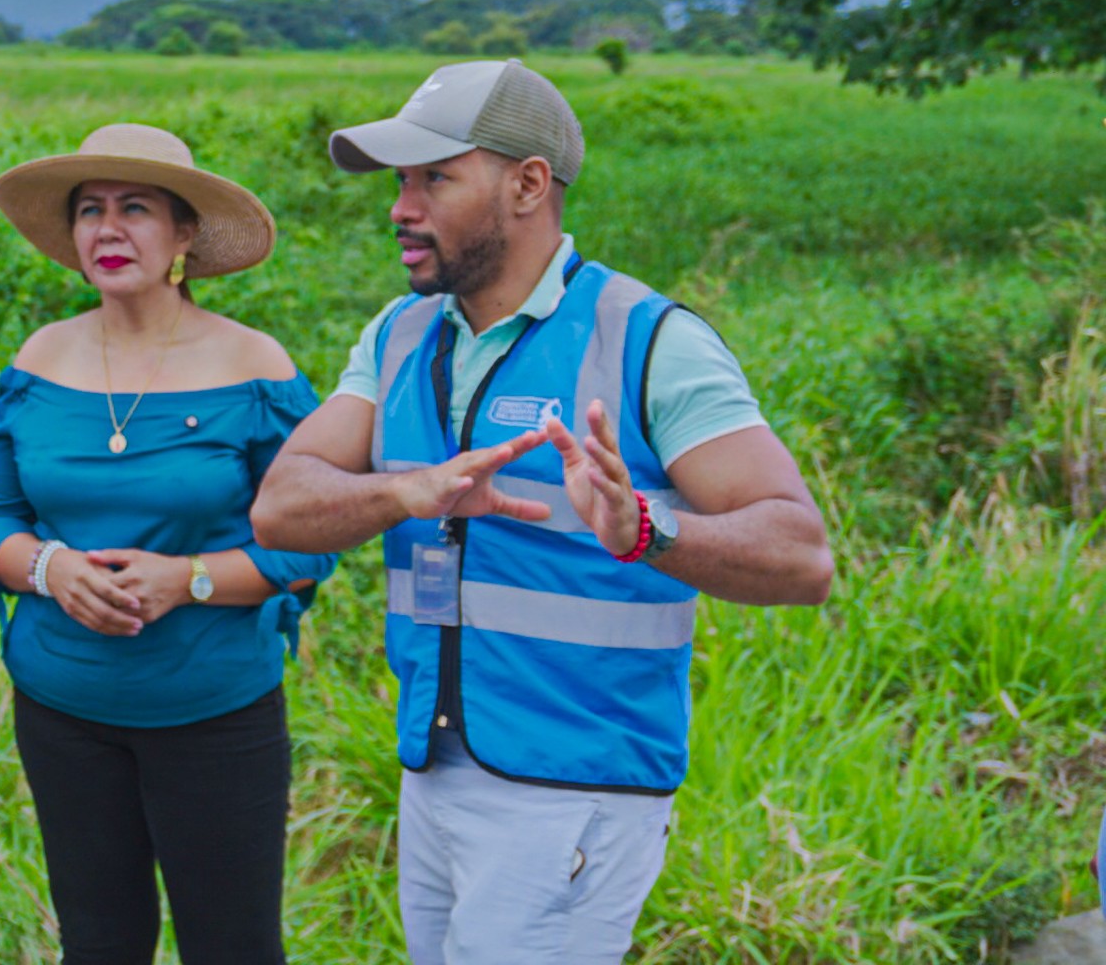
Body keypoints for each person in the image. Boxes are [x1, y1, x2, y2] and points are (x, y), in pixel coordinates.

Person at [249, 59, 835, 964]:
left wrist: (647, 530)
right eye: (400, 182)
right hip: (435, 771)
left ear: (528, 185)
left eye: (435, 179)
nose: (401, 208)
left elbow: (802, 556)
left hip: (573, 792)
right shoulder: (400, 334)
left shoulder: (647, 339)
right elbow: (281, 508)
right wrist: (405, 490)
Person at [0, 123, 339, 965]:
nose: (108, 229)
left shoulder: (253, 365)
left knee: (232, 948)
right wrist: (50, 569)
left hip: (214, 717)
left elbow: (311, 546)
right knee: (99, 943)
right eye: (90, 210)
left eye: (135, 209)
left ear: (184, 233)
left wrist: (188, 578)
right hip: (63, 713)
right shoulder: (41, 358)